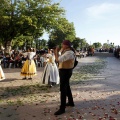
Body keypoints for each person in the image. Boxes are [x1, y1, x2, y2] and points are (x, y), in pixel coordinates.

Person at [54, 40, 75, 115]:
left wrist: (56, 52)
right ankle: (71, 102)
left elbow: (58, 59)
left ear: (66, 45)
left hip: (65, 72)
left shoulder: (69, 53)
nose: (62, 45)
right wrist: (59, 51)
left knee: (63, 89)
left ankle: (62, 108)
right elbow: (60, 55)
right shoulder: (66, 51)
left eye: (63, 45)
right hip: (65, 71)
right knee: (67, 86)